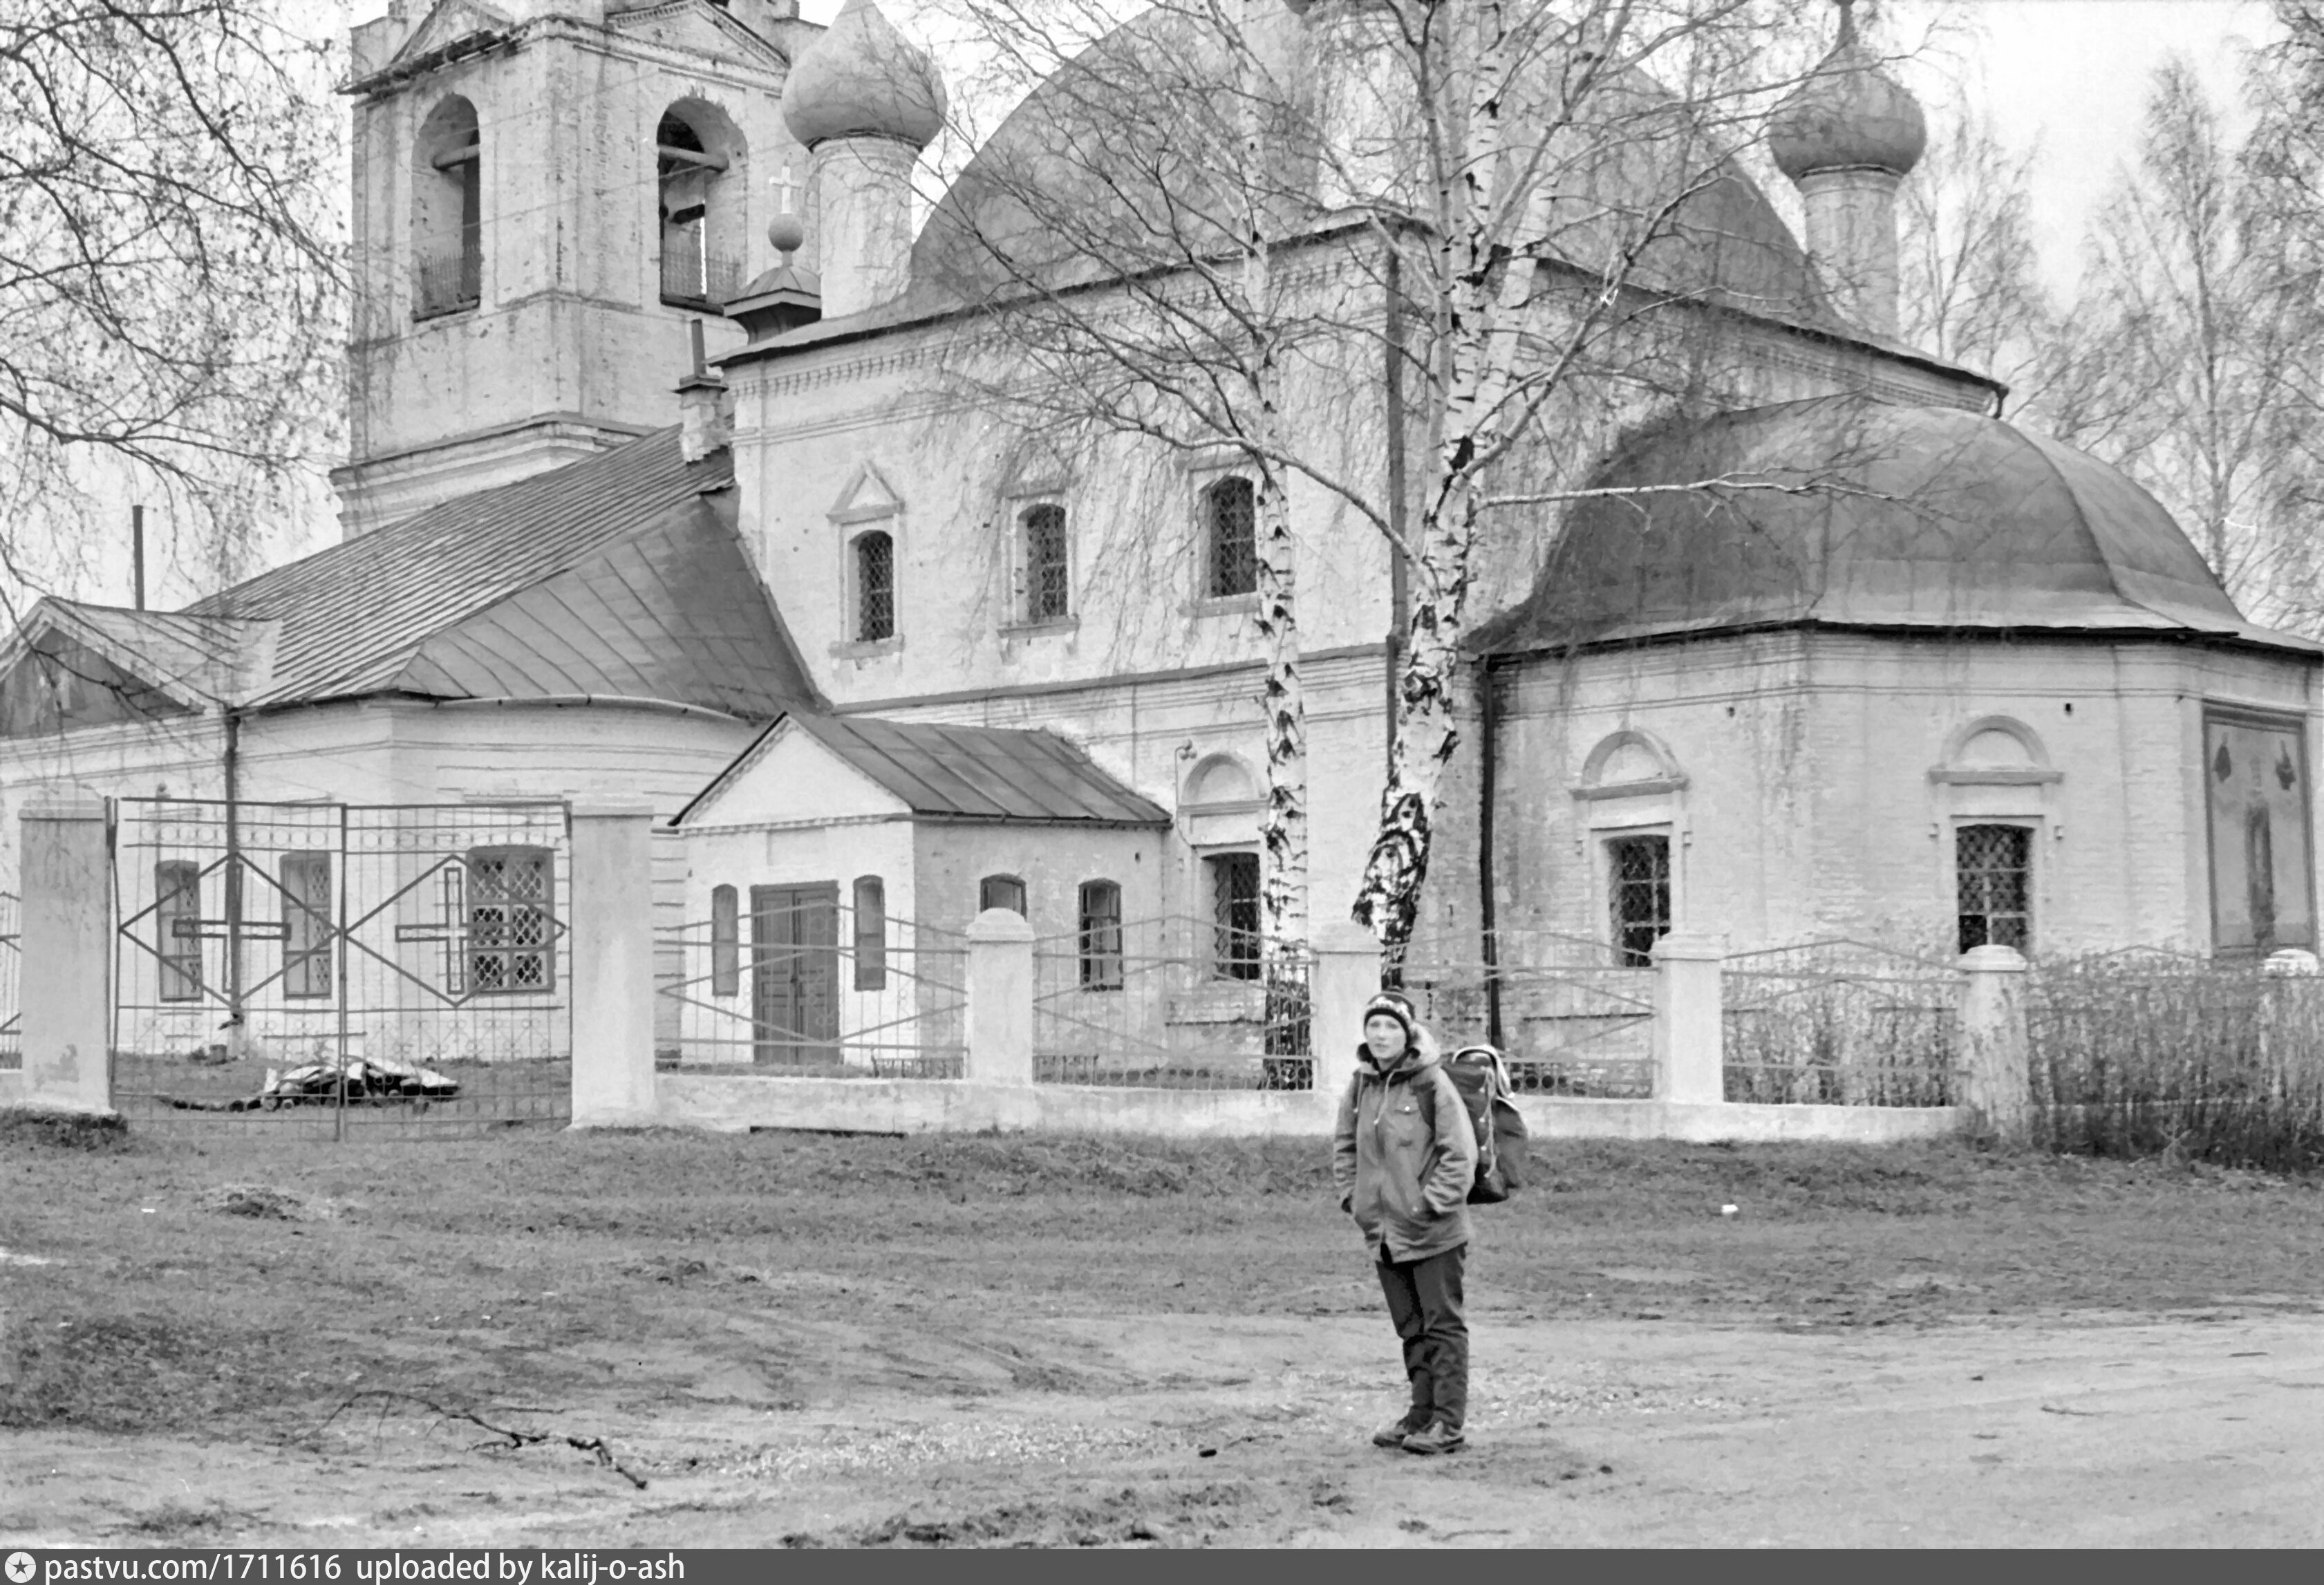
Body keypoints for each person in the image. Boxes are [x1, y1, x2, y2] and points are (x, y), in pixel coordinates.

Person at [1331, 988, 1479, 1455]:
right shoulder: (1362, 1084)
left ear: (1408, 1032)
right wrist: (1353, 1200)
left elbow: (1462, 1154)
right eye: (1374, 1024)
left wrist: (1428, 1204)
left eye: (1391, 1025)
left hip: (1433, 1230)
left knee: (1442, 1327)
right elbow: (1344, 1147)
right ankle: (1420, 1414)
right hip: (1384, 1233)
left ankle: (1448, 1422)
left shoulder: (1432, 1083)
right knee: (1411, 1328)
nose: (1380, 1033)